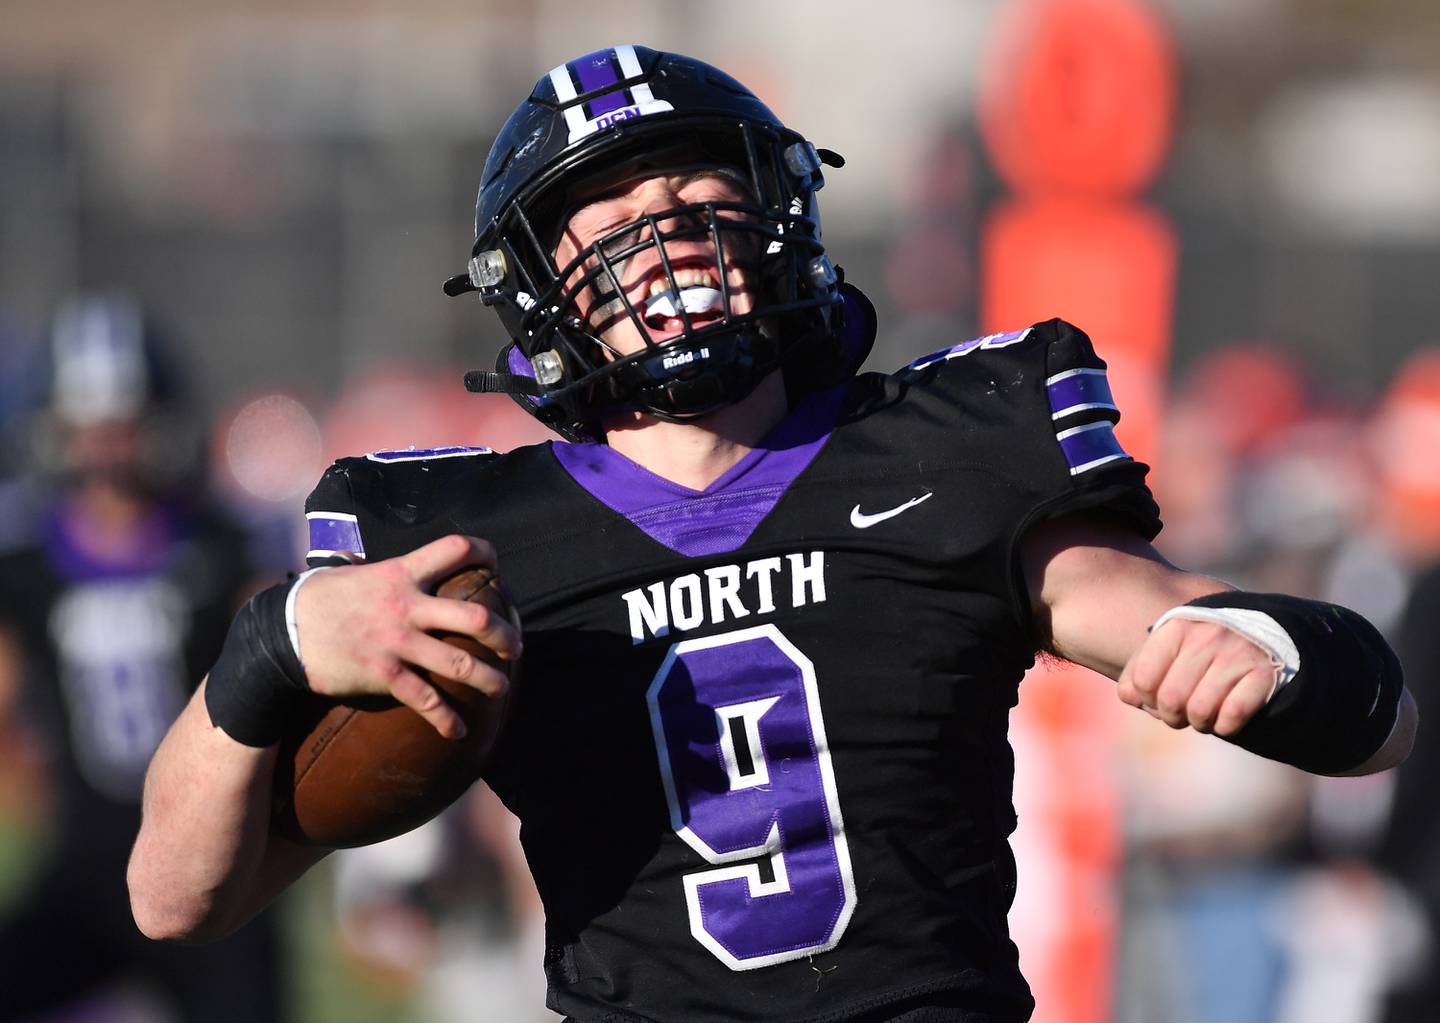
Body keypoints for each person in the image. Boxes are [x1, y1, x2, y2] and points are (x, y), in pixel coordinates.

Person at [127, 46, 1416, 1023]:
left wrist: (1272, 652)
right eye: (613, 217)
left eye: (700, 192)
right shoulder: (459, 547)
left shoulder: (941, 453)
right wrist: (276, 643)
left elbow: (1356, 712)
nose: (670, 233)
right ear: (538, 289)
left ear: (778, 214)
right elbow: (175, 898)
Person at [0, 294, 286, 1022]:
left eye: (123, 424)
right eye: (89, 427)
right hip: (83, 870)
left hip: (213, 861)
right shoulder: (28, 567)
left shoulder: (224, 550)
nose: (107, 447)